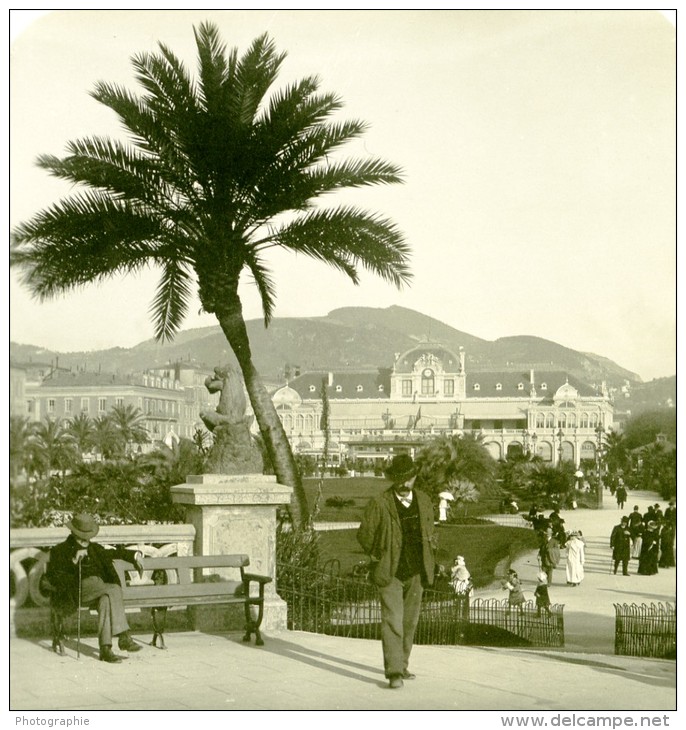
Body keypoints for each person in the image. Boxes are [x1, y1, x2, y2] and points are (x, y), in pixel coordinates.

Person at [357, 454, 437, 690]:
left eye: (408, 478)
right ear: (394, 479)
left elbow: (430, 532)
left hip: (416, 572)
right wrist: (380, 556)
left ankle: (402, 664)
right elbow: (364, 536)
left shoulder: (423, 500)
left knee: (409, 622)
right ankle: (394, 672)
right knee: (392, 621)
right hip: (389, 572)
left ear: (414, 477)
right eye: (399, 479)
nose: (404, 484)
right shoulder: (380, 503)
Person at [44, 513, 145, 663]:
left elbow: (115, 552)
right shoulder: (61, 550)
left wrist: (135, 555)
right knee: (113, 589)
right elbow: (55, 577)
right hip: (77, 590)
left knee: (105, 600)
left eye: (86, 536)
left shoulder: (94, 548)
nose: (84, 540)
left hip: (100, 590)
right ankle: (123, 636)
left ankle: (105, 649)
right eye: (81, 536)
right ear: (73, 533)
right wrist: (73, 561)